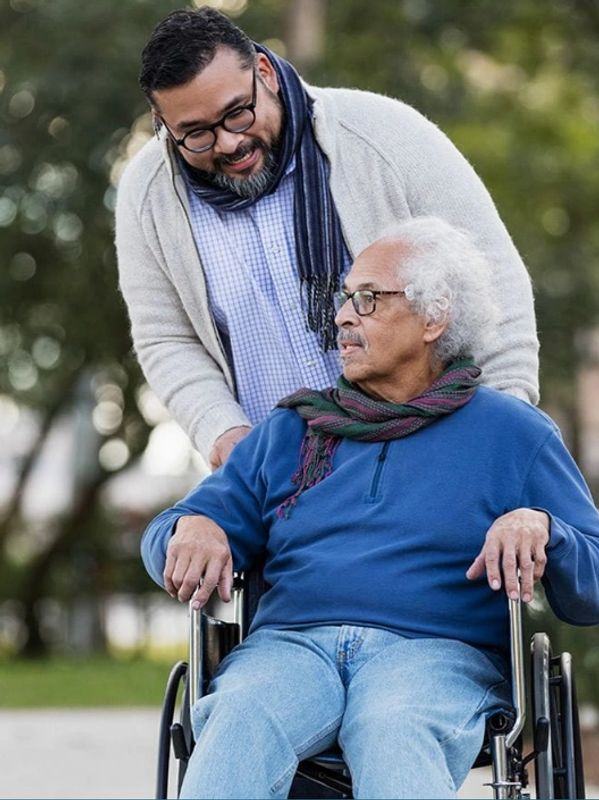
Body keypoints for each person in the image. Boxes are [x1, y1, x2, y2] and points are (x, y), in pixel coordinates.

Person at [141, 217, 599, 800]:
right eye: (343, 298)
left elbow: (593, 582)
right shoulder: (292, 431)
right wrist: (193, 526)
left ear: (434, 317)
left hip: (434, 656)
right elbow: (165, 534)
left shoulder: (512, 434)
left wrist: (544, 527)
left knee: (391, 726)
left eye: (367, 299)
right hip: (290, 648)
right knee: (239, 716)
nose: (342, 316)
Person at [115, 6, 540, 470]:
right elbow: (166, 338)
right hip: (285, 489)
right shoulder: (147, 194)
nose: (228, 143)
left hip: (433, 463)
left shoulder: (386, 134)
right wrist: (223, 432)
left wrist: (501, 436)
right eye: (195, 134)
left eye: (237, 113)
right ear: (162, 122)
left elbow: (494, 283)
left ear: (264, 72)